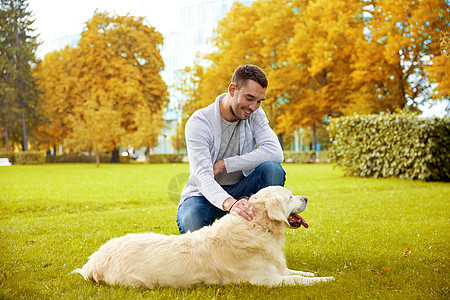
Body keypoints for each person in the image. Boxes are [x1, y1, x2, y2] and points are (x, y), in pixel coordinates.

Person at [177, 64, 285, 234]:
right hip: (204, 194)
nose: (254, 107)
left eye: (259, 101)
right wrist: (231, 203)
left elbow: (275, 152)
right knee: (191, 219)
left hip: (243, 189)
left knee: (272, 169)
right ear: (233, 89)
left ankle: (262, 240)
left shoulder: (255, 113)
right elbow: (203, 176)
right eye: (249, 98)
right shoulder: (199, 123)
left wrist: (226, 164)